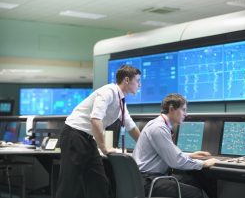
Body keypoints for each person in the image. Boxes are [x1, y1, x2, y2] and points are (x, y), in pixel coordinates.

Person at [56, 65, 141, 198]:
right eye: (137, 81)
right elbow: (95, 120)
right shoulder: (109, 91)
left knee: (99, 184)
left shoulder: (121, 102)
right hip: (74, 135)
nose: (139, 85)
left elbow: (131, 126)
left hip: (88, 139)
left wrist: (145, 145)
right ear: (126, 80)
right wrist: (105, 148)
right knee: (70, 185)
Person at [133, 93, 217, 198]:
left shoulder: (158, 124)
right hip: (149, 181)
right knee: (195, 193)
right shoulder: (158, 128)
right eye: (183, 110)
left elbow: (167, 153)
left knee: (193, 181)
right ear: (172, 109)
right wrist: (203, 163)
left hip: (145, 178)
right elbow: (175, 161)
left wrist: (190, 155)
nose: (186, 114)